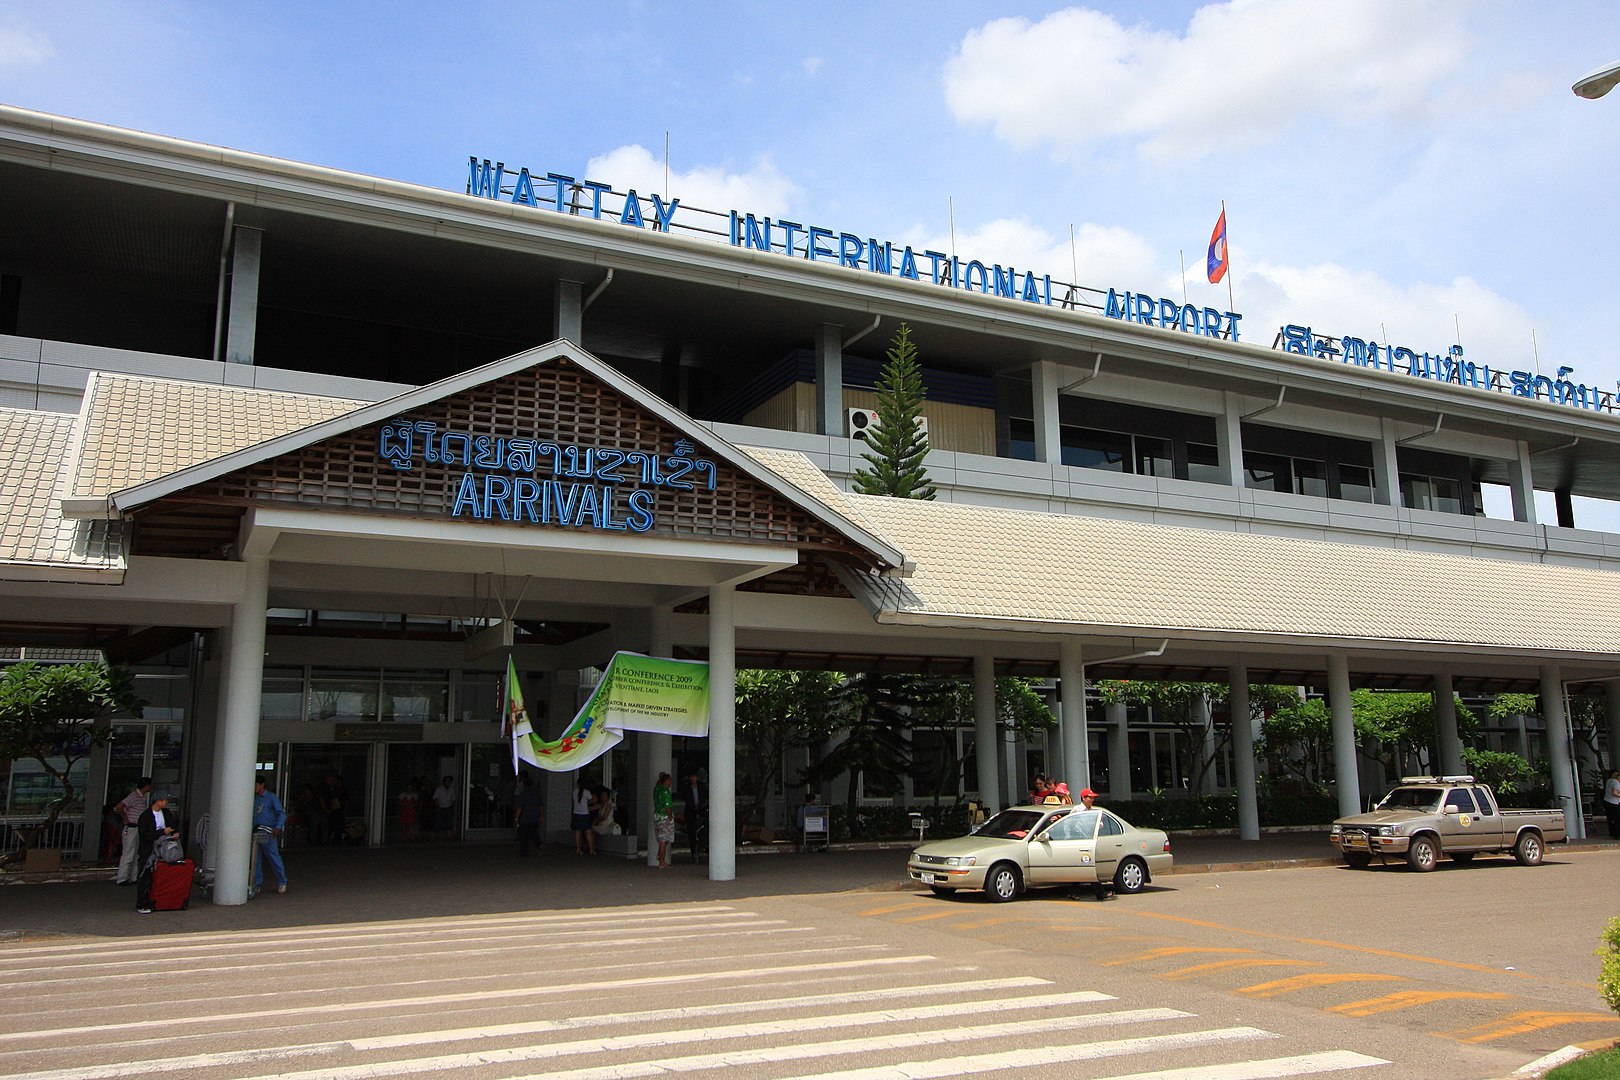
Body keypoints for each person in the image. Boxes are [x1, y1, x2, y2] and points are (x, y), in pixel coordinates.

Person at [133, 790, 177, 914]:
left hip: (164, 848)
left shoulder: (167, 813)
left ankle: (157, 901)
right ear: (159, 801)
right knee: (144, 874)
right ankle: (142, 903)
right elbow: (144, 834)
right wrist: (162, 832)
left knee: (161, 875)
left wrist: (174, 833)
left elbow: (173, 826)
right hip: (149, 849)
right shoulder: (146, 816)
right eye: (165, 800)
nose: (167, 802)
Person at [112, 776, 153, 885]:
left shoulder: (141, 797)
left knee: (135, 853)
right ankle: (122, 878)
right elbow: (119, 807)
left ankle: (133, 877)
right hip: (131, 827)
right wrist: (125, 819)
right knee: (129, 852)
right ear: (147, 786)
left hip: (137, 827)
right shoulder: (133, 796)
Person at [252, 775, 288, 895]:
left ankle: (282, 881)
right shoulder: (255, 799)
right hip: (256, 831)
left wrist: (278, 827)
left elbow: (281, 813)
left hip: (268, 831)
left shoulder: (271, 797)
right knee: (256, 860)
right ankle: (257, 883)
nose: (255, 787)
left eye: (256, 784)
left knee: (273, 858)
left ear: (262, 785)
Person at [515, 772, 543, 856]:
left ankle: (525, 852)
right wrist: (541, 815)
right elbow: (541, 806)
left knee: (523, 835)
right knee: (533, 832)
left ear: (524, 785)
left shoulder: (523, 794)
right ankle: (538, 843)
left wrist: (516, 817)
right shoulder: (537, 794)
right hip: (535, 816)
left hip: (525, 817)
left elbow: (520, 807)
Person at [681, 770, 707, 855]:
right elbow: (685, 798)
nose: (692, 779)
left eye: (694, 777)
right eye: (691, 777)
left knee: (703, 827)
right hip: (690, 811)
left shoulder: (702, 786)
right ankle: (693, 851)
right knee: (691, 831)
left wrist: (701, 806)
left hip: (701, 810)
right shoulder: (686, 787)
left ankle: (702, 845)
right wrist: (692, 807)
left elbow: (705, 796)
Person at [652, 772, 674, 869]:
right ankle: (662, 861)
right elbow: (668, 806)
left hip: (657, 815)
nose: (671, 783)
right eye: (670, 781)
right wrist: (670, 817)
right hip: (664, 817)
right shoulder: (665, 792)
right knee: (664, 839)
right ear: (667, 781)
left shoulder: (656, 789)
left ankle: (660, 856)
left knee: (663, 838)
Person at [572, 778, 597, 855]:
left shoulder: (574, 792)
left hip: (576, 813)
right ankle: (591, 849)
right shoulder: (587, 792)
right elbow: (591, 800)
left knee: (577, 831)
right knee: (588, 831)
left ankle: (578, 849)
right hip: (585, 814)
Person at [432, 775, 456, 840]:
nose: (448, 783)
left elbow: (453, 799)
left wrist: (453, 808)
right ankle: (438, 835)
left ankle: (449, 835)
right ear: (444, 782)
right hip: (441, 808)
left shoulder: (452, 790)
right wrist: (438, 806)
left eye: (449, 782)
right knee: (439, 822)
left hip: (448, 807)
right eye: (447, 782)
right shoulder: (439, 789)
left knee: (448, 822)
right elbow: (436, 798)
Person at [1604, 769, 1620, 840]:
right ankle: (1617, 834)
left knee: (1610, 818)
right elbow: (1614, 793)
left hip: (1607, 801)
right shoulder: (1615, 782)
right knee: (1617, 819)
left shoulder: (1609, 781)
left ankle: (1612, 833)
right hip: (1614, 802)